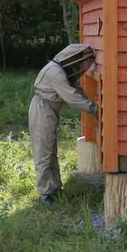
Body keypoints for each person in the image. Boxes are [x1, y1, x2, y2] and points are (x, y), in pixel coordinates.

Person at [29, 43, 98, 204]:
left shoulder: (61, 71)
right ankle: (45, 194)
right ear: (72, 58)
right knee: (43, 152)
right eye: (83, 62)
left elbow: (77, 89)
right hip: (42, 109)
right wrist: (93, 108)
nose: (84, 67)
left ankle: (54, 188)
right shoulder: (55, 73)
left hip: (48, 109)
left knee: (51, 149)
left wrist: (90, 102)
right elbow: (72, 97)